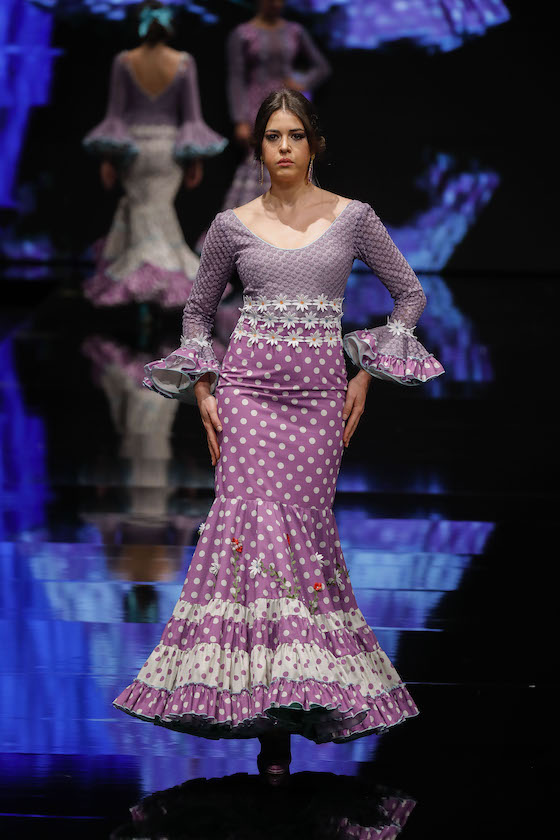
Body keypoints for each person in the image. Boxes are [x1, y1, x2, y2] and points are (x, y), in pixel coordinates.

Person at [114, 89, 444, 780]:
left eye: (296, 134)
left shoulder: (353, 217)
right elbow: (197, 313)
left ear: (313, 144)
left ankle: (294, 696)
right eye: (273, 136)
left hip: (318, 402)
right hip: (248, 396)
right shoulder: (231, 225)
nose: (285, 147)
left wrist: (365, 372)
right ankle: (264, 712)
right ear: (259, 147)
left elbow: (410, 294)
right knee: (249, 534)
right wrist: (203, 388)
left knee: (301, 539)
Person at [83, 1, 227, 308]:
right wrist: (195, 159)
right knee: (158, 211)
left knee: (145, 211)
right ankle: (163, 279)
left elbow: (115, 117)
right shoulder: (183, 62)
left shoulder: (125, 61)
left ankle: (144, 280)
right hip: (168, 151)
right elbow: (192, 118)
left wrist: (108, 158)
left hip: (133, 151)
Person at [224, 0, 330, 210]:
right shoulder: (243, 33)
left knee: (293, 153)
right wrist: (240, 119)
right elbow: (236, 78)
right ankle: (258, 217)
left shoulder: (294, 31)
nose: (276, 4)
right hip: (256, 105)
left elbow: (322, 67)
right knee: (261, 158)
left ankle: (296, 214)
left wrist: (302, 82)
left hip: (289, 104)